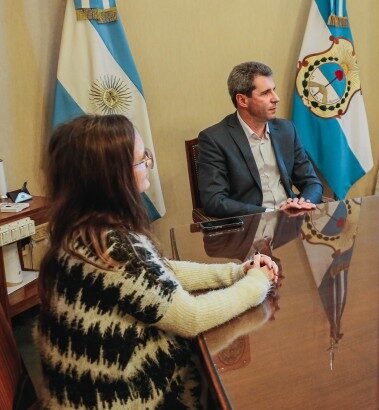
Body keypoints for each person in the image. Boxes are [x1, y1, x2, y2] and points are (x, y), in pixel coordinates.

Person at [35, 114, 280, 409]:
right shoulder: (112, 247)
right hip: (116, 399)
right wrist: (258, 283)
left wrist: (235, 272)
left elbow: (159, 271)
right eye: (142, 160)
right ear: (112, 178)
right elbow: (192, 318)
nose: (149, 163)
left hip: (83, 391)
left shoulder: (82, 231)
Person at [197, 61, 323, 217]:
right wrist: (271, 213)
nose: (276, 98)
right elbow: (214, 201)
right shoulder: (214, 139)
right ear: (242, 100)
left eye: (274, 90)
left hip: (291, 221)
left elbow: (311, 182)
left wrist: (303, 203)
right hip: (250, 225)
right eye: (265, 93)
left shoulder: (286, 130)